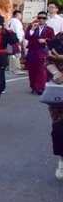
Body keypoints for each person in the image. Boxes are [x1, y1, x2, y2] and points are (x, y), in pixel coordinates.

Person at [43, 36, 63, 181]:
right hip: (60, 92)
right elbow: (48, 59)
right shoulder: (58, 39)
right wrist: (56, 72)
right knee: (60, 131)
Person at [25, 11, 54, 95]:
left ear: (46, 19)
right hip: (32, 50)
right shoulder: (32, 27)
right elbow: (27, 36)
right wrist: (33, 29)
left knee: (42, 69)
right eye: (39, 17)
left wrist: (45, 40)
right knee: (32, 69)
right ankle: (33, 86)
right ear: (37, 18)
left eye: (43, 18)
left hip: (42, 51)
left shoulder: (49, 29)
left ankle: (40, 87)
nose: (41, 19)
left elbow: (52, 39)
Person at [8, 10, 26, 74]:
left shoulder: (10, 21)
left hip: (11, 39)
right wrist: (19, 40)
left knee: (12, 54)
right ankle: (16, 69)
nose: (21, 16)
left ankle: (12, 69)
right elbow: (18, 31)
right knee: (16, 54)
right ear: (17, 15)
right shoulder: (16, 21)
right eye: (20, 14)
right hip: (16, 39)